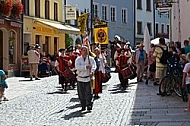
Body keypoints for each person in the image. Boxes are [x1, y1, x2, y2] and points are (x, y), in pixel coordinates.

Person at [75, 46, 96, 111]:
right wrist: (85, 67)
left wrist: (92, 72)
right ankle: (83, 105)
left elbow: (94, 66)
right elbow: (78, 67)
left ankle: (89, 104)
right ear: (81, 51)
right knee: (81, 93)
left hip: (88, 78)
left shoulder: (91, 59)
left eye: (86, 50)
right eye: (83, 50)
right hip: (80, 79)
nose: (85, 52)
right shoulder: (78, 59)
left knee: (89, 92)